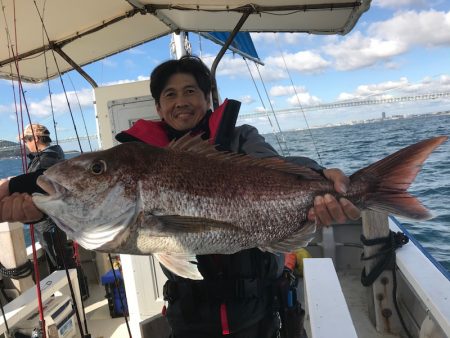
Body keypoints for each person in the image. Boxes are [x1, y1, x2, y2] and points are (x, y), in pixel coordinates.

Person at [0, 56, 360, 337]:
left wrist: (318, 177)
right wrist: (38, 210)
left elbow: (271, 164)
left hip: (257, 304)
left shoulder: (240, 137)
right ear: (158, 108)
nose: (180, 101)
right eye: (169, 94)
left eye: (190, 91)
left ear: (207, 99)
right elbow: (68, 195)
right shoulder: (138, 156)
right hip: (189, 314)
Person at [0, 124, 72, 273]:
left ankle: (78, 290)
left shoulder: (47, 158)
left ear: (36, 138)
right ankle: (78, 289)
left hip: (49, 221)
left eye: (26, 140)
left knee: (60, 262)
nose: (25, 144)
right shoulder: (52, 155)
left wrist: (10, 185)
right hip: (53, 219)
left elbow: (40, 179)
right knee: (60, 258)